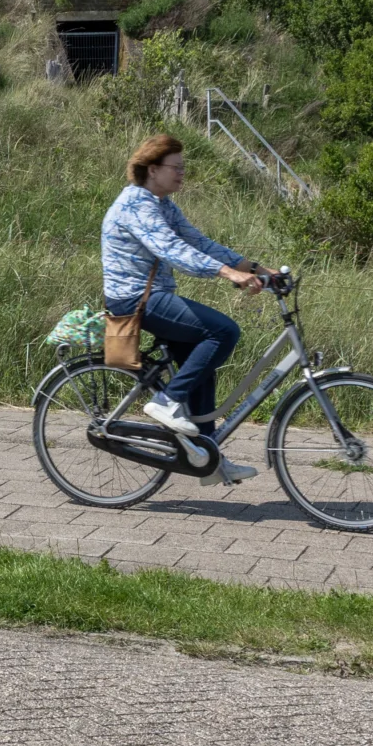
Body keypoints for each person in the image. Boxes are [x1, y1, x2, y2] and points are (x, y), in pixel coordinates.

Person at [100, 133, 270, 486]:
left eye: (183, 167)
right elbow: (172, 250)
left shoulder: (162, 204)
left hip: (153, 295)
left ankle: (207, 457)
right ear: (152, 169)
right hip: (134, 299)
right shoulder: (137, 203)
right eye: (175, 167)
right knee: (223, 331)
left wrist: (256, 268)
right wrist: (229, 274)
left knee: (202, 360)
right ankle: (166, 401)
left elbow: (199, 242)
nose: (182, 174)